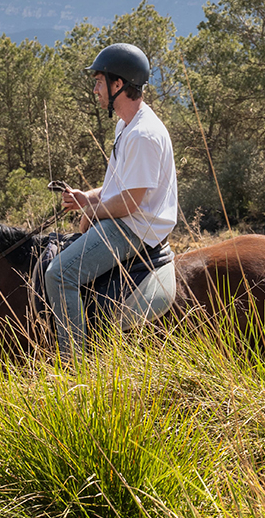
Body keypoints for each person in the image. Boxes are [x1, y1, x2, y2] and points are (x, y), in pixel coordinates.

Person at [44, 42, 178, 357]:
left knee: (59, 275)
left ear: (118, 84)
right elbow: (116, 187)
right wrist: (85, 197)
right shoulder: (126, 125)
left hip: (133, 230)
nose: (95, 90)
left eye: (99, 81)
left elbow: (129, 203)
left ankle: (74, 364)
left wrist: (91, 208)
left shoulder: (143, 135)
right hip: (125, 221)